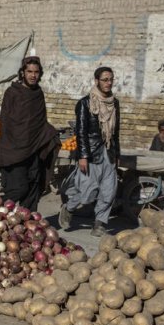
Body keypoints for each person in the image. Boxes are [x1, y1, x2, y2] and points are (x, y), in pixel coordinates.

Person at [59, 66, 121, 237]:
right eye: (105, 79)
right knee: (87, 192)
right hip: (92, 154)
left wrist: (117, 154)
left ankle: (100, 223)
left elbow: (116, 131)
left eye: (111, 79)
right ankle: (69, 207)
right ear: (96, 81)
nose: (109, 83)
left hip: (108, 152)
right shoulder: (85, 103)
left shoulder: (114, 103)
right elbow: (81, 132)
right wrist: (83, 156)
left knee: (109, 190)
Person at [0, 56, 59, 212]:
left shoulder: (38, 94)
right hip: (14, 150)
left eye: (36, 72)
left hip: (34, 149)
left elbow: (40, 121)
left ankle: (26, 224)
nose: (33, 75)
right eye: (29, 71)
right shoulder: (12, 92)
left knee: (33, 188)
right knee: (18, 189)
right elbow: (6, 123)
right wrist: (8, 147)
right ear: (22, 72)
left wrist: (50, 133)